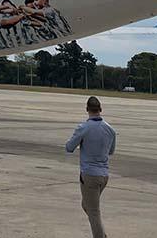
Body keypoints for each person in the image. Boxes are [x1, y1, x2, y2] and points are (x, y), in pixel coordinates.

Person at [65, 96, 116, 238]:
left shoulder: (84, 128)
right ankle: (102, 234)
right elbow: (111, 151)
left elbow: (69, 147)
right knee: (86, 205)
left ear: (87, 109)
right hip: (104, 175)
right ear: (100, 109)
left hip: (89, 175)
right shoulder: (110, 130)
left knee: (93, 211)